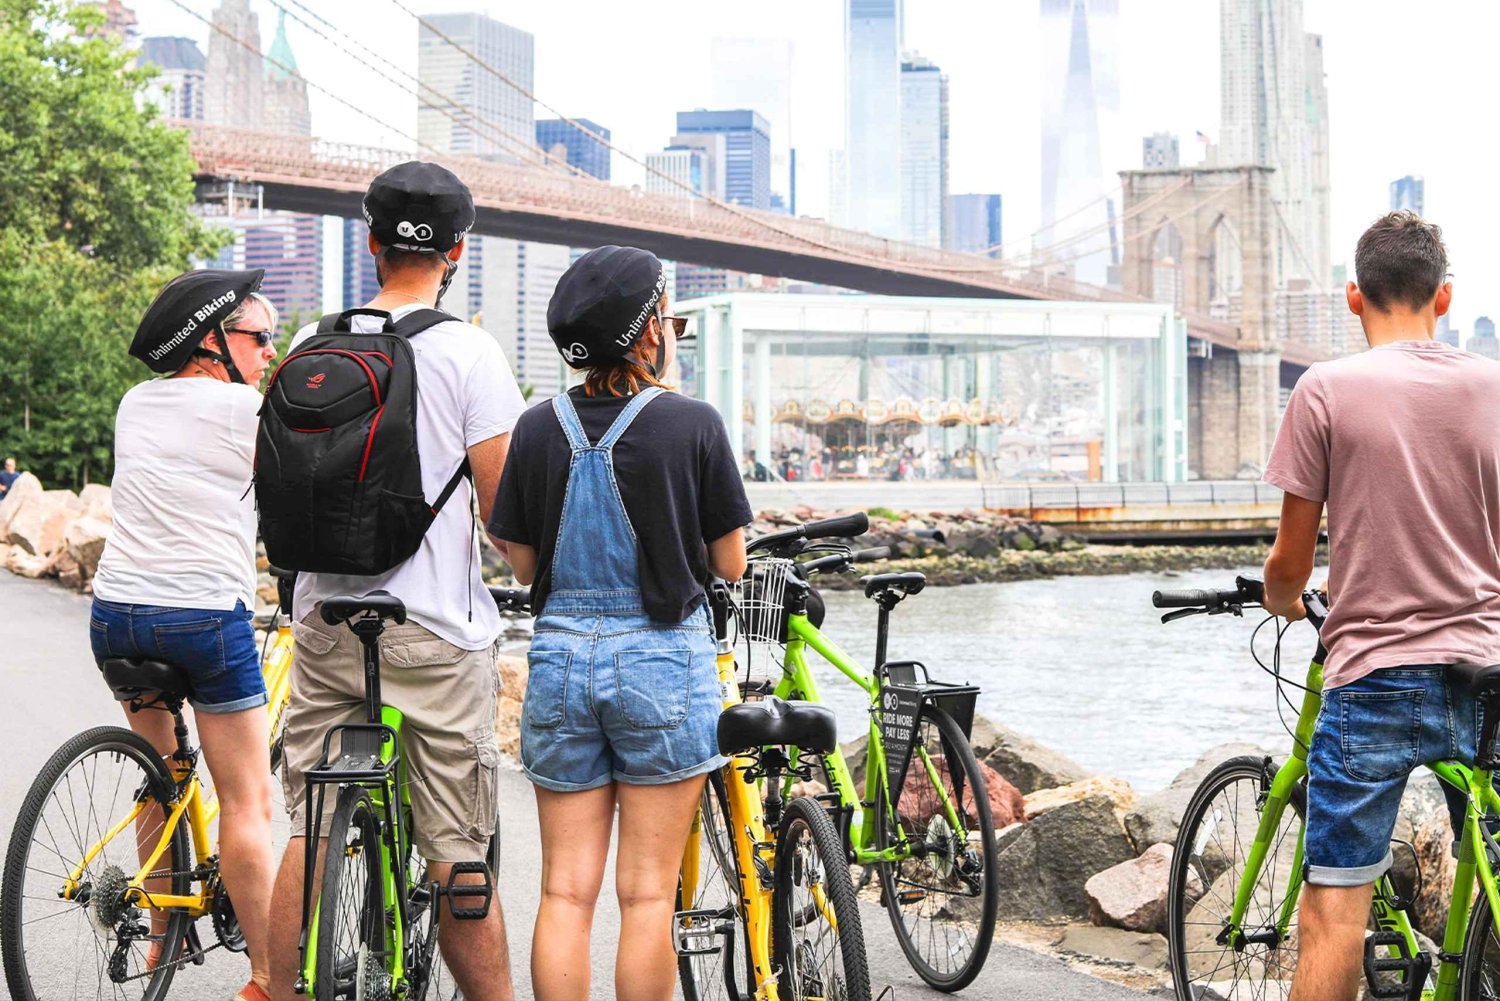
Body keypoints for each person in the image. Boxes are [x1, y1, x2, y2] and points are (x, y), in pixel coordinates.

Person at [266, 162, 526, 1001]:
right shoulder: (471, 351)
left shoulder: (312, 346)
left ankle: (272, 989)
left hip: (324, 620)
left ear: (371, 244)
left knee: (308, 824)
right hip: (432, 632)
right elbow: (504, 507)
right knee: (457, 846)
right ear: (457, 250)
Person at [488, 245, 751, 1001]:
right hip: (663, 664)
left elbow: (527, 568)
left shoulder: (537, 428)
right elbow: (729, 564)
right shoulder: (693, 423)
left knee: (566, 892)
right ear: (647, 334)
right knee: (645, 894)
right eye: (667, 316)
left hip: (563, 661)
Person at [1261, 211, 1500, 1001]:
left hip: (1375, 677)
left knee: (1334, 915)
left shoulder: (1325, 389)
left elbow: (1292, 560)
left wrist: (1284, 599)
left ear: (1354, 298)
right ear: (1446, 295)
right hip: (1491, 671)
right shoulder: (1495, 385)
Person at [92, 268, 281, 1001]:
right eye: (260, 337)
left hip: (116, 614)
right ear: (213, 342)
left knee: (159, 772)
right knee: (248, 799)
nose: (270, 350)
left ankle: (161, 942)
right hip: (203, 615)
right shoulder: (246, 408)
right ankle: (268, 979)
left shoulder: (134, 403)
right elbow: (293, 494)